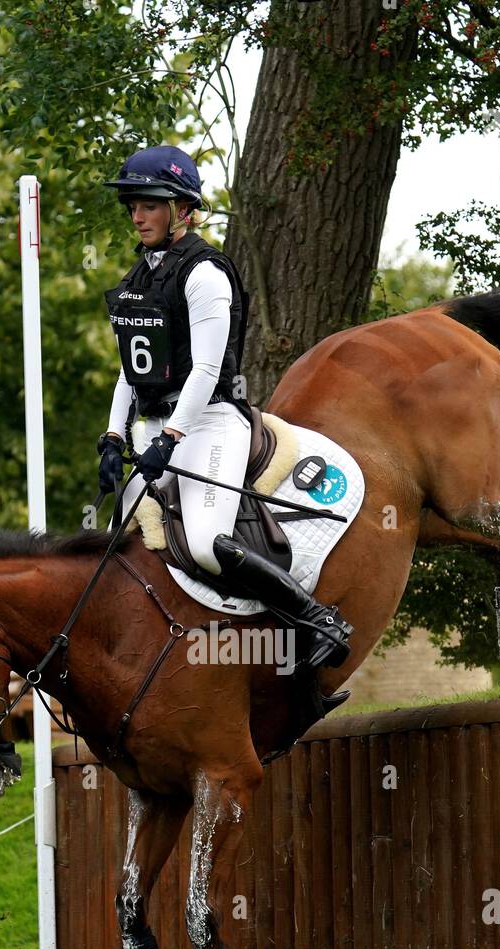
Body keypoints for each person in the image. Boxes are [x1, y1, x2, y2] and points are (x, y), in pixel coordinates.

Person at [99, 144, 352, 671]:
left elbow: (207, 372)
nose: (137, 215)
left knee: (208, 544)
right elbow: (131, 369)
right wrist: (114, 438)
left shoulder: (205, 273)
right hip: (154, 424)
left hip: (208, 423)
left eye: (148, 204)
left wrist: (170, 440)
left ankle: (316, 617)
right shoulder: (140, 277)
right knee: (116, 548)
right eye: (133, 205)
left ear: (181, 210)